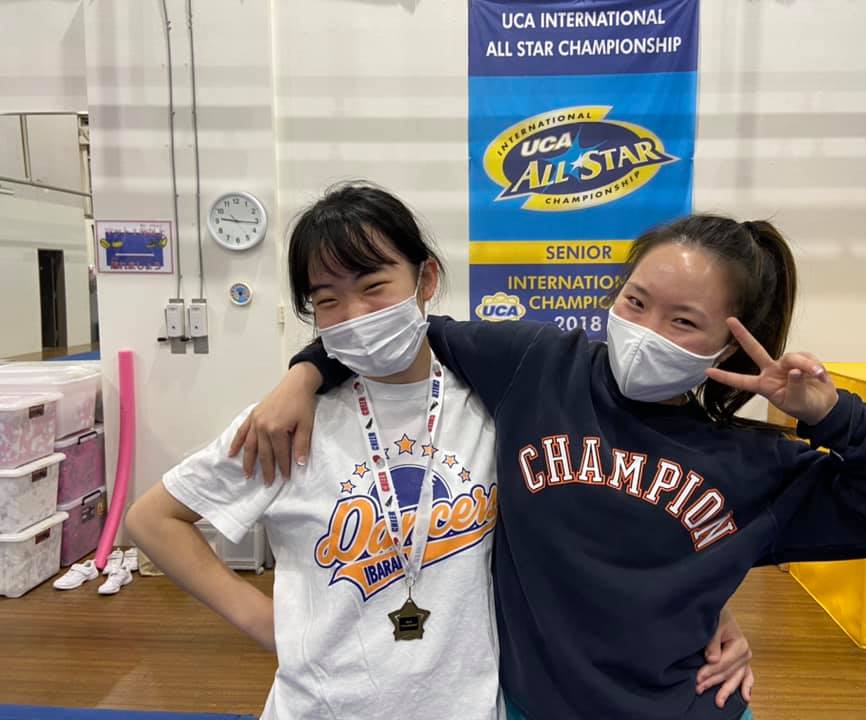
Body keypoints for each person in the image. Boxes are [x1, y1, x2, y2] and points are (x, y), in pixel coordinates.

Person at [235, 209, 866, 720]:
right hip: (528, 706)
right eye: (635, 301)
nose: (645, 331)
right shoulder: (537, 366)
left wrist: (833, 416)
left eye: (684, 321)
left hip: (687, 707)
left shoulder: (757, 464)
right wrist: (304, 372)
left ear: (731, 343)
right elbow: (391, 333)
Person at [124, 185, 750, 720]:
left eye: (374, 286)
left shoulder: (494, 406)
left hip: (469, 703)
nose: (354, 315)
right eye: (327, 300)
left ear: (425, 279)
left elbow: (601, 521)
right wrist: (266, 625)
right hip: (324, 705)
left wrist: (709, 610)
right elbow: (154, 520)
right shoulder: (289, 424)